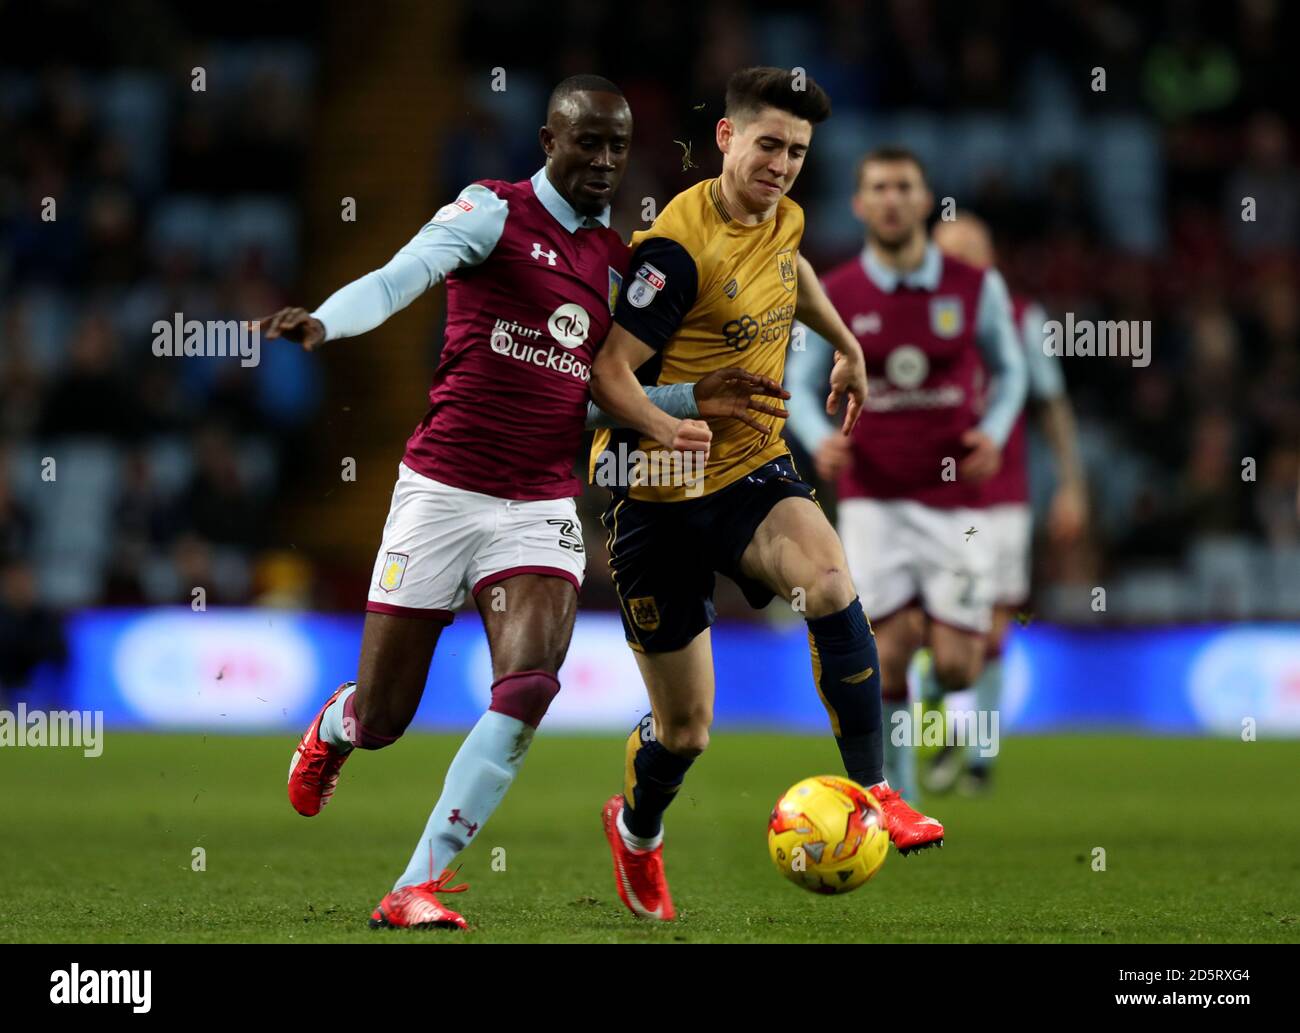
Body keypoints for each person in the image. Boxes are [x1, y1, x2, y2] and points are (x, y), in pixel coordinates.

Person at [260, 75, 781, 931]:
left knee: (531, 684)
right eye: (590, 143)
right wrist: (325, 320)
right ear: (549, 142)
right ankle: (339, 726)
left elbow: (600, 394)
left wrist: (688, 399)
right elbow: (401, 276)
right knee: (388, 714)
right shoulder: (490, 211)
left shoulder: (617, 264)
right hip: (441, 490)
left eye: (619, 146)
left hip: (538, 502)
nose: (607, 161)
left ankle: (414, 884)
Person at [588, 69, 946, 924]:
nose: (782, 164)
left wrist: (846, 342)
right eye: (768, 145)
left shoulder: (781, 212)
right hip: (659, 490)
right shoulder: (674, 251)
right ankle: (636, 830)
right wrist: (679, 412)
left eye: (796, 151)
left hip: (753, 468)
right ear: (726, 139)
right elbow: (603, 379)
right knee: (686, 732)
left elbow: (789, 266)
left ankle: (877, 789)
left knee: (828, 580)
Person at [786, 148, 1028, 804]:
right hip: (874, 502)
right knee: (887, 655)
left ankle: (945, 718)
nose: (892, 199)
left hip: (958, 502)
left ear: (926, 202)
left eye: (904, 187)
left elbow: (1011, 371)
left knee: (956, 663)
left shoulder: (975, 286)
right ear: (861, 205)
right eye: (879, 189)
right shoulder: (834, 292)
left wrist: (996, 430)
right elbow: (798, 384)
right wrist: (816, 438)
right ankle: (899, 797)